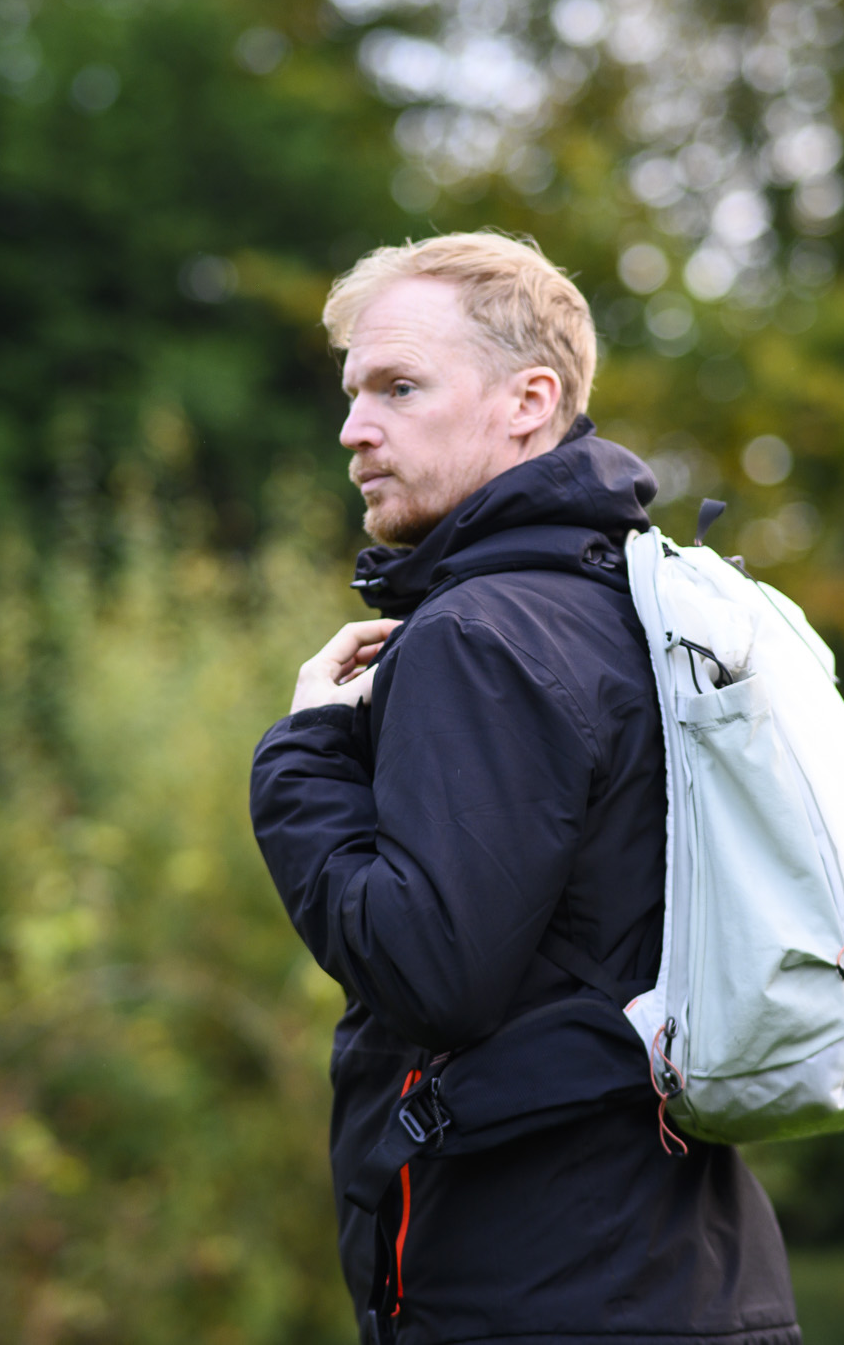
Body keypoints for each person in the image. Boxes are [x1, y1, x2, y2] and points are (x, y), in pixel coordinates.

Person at [249, 232, 800, 1345]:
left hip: (537, 1292)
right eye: (354, 393)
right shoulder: (642, 613)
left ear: (528, 401)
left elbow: (432, 969)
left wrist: (301, 753)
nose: (355, 429)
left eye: (399, 387)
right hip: (694, 1274)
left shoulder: (482, 633)